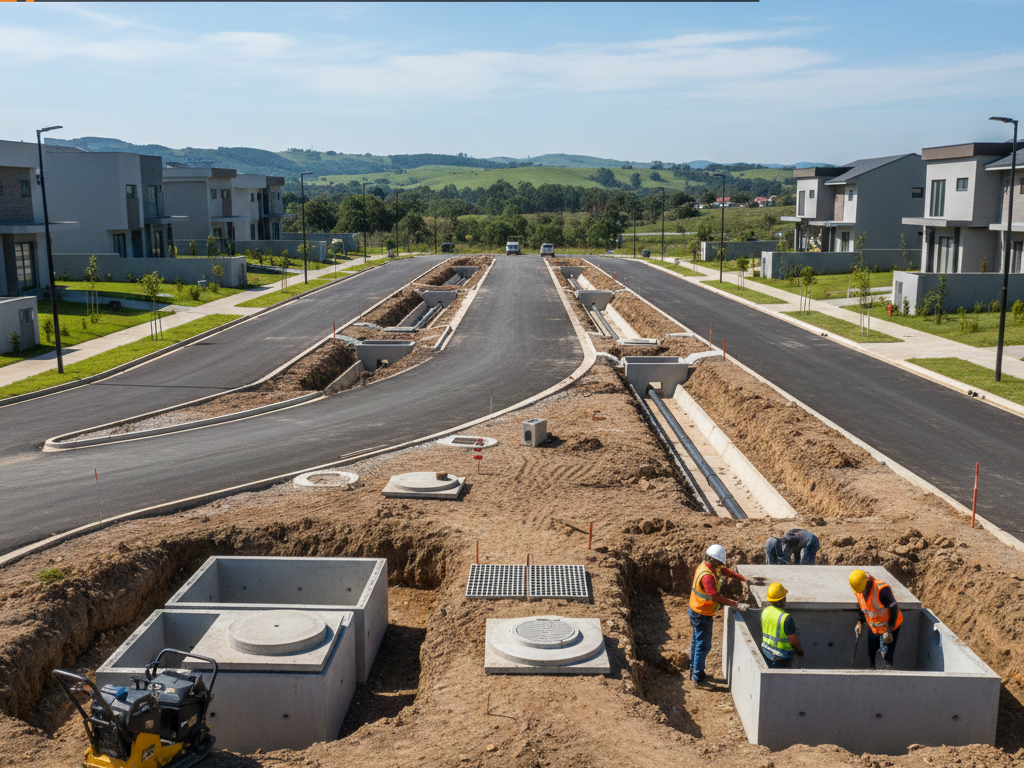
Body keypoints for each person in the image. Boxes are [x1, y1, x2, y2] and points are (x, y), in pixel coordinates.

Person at [688, 544, 750, 684]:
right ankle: (697, 676)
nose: (721, 566)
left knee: (696, 641)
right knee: (703, 645)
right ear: (715, 560)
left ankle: (694, 669)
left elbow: (726, 571)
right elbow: (716, 597)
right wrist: (736, 604)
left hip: (697, 609)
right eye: (720, 563)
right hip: (701, 613)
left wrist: (743, 579)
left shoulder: (709, 566)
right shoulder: (707, 577)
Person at [849, 569, 903, 670]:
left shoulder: (882, 589)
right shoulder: (858, 590)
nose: (863, 592)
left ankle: (884, 681)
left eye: (864, 589)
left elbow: (894, 608)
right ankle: (873, 677)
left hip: (888, 627)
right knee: (872, 653)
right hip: (874, 626)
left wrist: (889, 629)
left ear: (867, 581)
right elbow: (863, 606)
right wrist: (860, 622)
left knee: (885, 658)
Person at [759, 582, 804, 668]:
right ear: (783, 599)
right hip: (781, 657)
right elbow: (793, 641)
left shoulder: (765, 611)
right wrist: (800, 652)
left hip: (766, 651)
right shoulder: (786, 618)